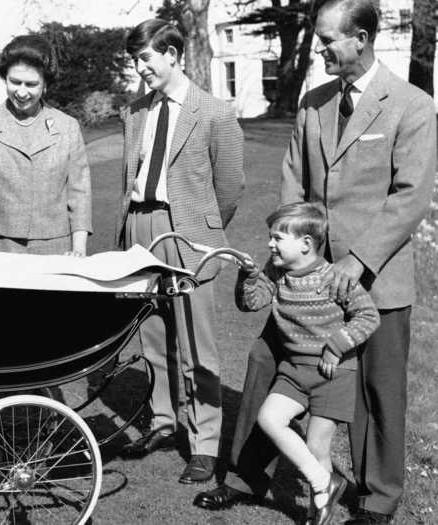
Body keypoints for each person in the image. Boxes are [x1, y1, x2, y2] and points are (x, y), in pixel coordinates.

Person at [195, 1, 436, 523]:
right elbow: (293, 178)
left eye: (329, 41)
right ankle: (245, 475)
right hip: (304, 275)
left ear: (362, 38)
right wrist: (290, 248)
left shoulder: (411, 105)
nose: (321, 50)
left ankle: (376, 499)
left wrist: (357, 262)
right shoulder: (313, 102)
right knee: (266, 362)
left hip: (376, 278)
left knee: (376, 388)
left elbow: (410, 195)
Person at [116, 19, 244, 484]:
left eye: (145, 58)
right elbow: (129, 177)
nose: (139, 68)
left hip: (187, 231)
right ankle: (164, 421)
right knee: (153, 335)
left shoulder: (213, 112)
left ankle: (205, 442)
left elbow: (230, 186)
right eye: (134, 60)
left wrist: (203, 232)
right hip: (141, 225)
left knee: (197, 344)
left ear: (172, 54)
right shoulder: (134, 112)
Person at [236, 203, 379, 525]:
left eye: (277, 238)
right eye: (270, 238)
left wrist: (336, 346)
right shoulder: (276, 273)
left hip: (334, 372)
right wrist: (249, 276)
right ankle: (323, 481)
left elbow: (368, 316)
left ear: (306, 244)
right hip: (294, 370)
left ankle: (318, 513)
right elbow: (251, 302)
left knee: (317, 445)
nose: (270, 244)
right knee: (270, 418)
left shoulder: (334, 277)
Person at [0, 35, 91, 260]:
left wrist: (79, 249)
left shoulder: (67, 126)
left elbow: (80, 193)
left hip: (58, 248)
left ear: (46, 84)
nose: (21, 92)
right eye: (14, 82)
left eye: (31, 84)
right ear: (4, 78)